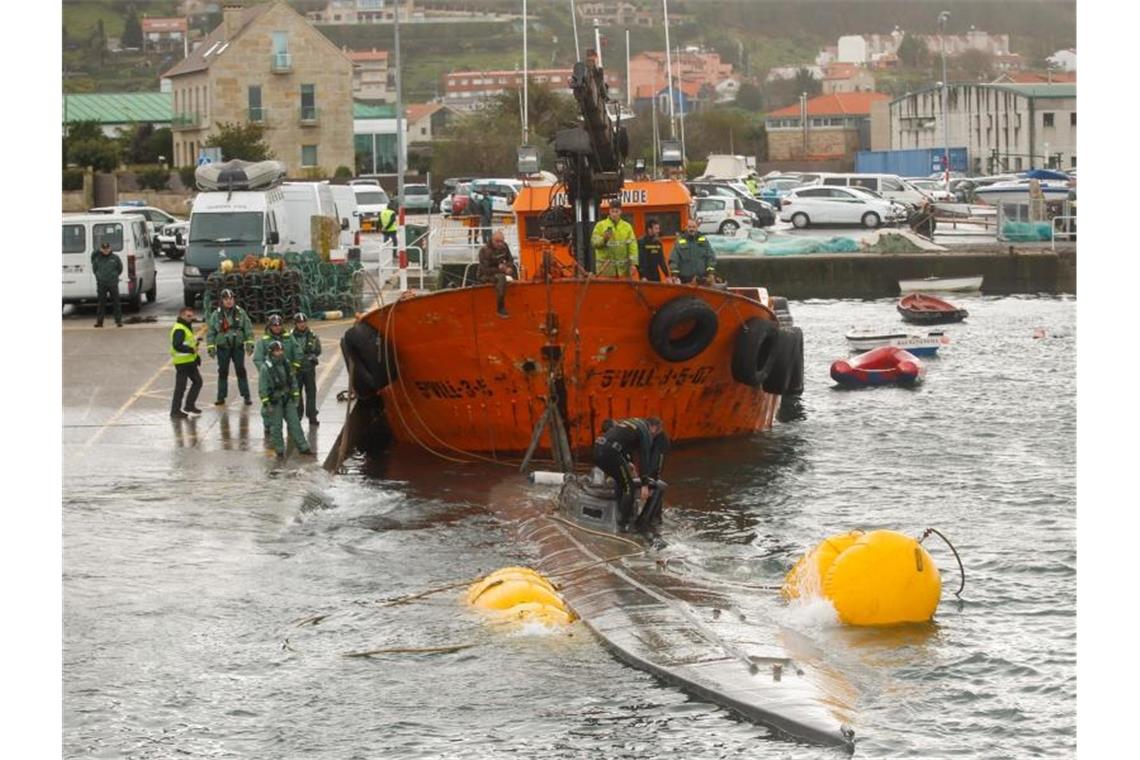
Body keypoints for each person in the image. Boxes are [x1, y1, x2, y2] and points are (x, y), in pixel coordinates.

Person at [593, 416, 670, 532]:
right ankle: (624, 524)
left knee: (621, 482)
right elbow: (644, 458)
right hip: (609, 453)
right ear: (653, 428)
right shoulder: (645, 432)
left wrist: (628, 462)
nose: (653, 437)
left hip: (598, 450)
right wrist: (645, 484)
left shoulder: (633, 423)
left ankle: (619, 515)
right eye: (655, 434)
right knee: (629, 487)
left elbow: (622, 442)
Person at [258, 340, 313, 459]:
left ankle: (303, 447)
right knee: (276, 427)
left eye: (281, 350)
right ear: (271, 352)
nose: (280, 352)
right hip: (275, 401)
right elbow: (262, 388)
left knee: (295, 423)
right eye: (277, 350)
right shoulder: (265, 368)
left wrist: (296, 396)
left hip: (287, 399)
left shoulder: (286, 364)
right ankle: (279, 450)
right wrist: (267, 404)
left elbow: (292, 381)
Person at [205, 289, 254, 405]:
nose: (229, 301)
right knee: (223, 371)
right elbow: (211, 332)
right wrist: (211, 347)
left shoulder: (241, 313)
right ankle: (221, 397)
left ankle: (246, 396)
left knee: (241, 370)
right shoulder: (216, 315)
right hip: (223, 348)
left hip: (237, 347)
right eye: (226, 299)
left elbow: (248, 329)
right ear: (222, 301)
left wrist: (250, 343)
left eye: (231, 299)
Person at [169, 306, 203, 419]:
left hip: (189, 361)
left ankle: (189, 406)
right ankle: (175, 411)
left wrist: (196, 355)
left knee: (197, 382)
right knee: (181, 387)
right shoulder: (179, 329)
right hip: (182, 363)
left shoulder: (185, 326)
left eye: (191, 316)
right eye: (188, 316)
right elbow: (177, 345)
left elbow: (189, 343)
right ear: (181, 315)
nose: (190, 318)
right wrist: (191, 350)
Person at [288, 312, 321, 424]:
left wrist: (313, 356)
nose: (302, 324)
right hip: (296, 370)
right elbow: (287, 351)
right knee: (297, 393)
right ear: (295, 324)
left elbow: (318, 349)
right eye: (299, 322)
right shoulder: (290, 337)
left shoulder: (312, 335)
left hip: (309, 369)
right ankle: (298, 415)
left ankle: (312, 415)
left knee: (311, 392)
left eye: (304, 322)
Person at [590, 200, 638, 278]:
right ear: (609, 211)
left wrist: (633, 264)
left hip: (623, 272)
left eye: (617, 211)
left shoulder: (627, 227)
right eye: (612, 211)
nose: (614, 214)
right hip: (605, 272)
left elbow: (632, 246)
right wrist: (604, 239)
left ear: (620, 212)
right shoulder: (600, 225)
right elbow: (594, 243)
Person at [477, 229, 517, 318]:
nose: (500, 244)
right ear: (492, 240)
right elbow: (485, 270)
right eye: (497, 241)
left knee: (513, 270)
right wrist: (501, 269)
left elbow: (510, 259)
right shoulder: (485, 251)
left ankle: (516, 294)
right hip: (485, 275)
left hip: (502, 269)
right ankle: (500, 307)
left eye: (502, 241)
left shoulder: (504, 247)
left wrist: (508, 267)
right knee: (501, 278)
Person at [670, 219, 717, 285]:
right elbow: (674, 259)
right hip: (685, 281)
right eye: (689, 227)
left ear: (697, 228)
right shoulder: (679, 242)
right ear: (686, 227)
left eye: (693, 227)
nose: (691, 229)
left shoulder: (704, 241)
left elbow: (711, 257)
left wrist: (711, 273)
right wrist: (674, 275)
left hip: (702, 280)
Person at [90, 241, 123, 328]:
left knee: (116, 302)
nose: (106, 250)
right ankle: (100, 322)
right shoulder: (97, 258)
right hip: (102, 284)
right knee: (101, 303)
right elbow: (94, 269)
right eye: (104, 249)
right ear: (101, 249)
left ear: (110, 248)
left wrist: (114, 276)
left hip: (113, 283)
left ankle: (118, 321)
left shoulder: (115, 258)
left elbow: (120, 268)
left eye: (107, 248)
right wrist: (99, 277)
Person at [637, 217, 669, 282]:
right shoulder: (641, 242)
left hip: (656, 275)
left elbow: (661, 260)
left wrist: (667, 275)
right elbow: (640, 261)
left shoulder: (658, 243)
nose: (658, 231)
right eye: (656, 228)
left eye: (659, 228)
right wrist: (643, 276)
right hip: (645, 277)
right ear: (649, 229)